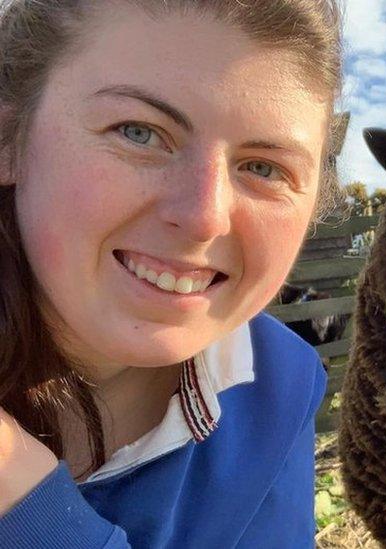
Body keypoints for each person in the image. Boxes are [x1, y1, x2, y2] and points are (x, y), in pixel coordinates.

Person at [0, 0, 341, 546]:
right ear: (9, 137)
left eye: (262, 168)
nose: (206, 216)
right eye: (137, 131)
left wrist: (32, 515)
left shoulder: (280, 385)